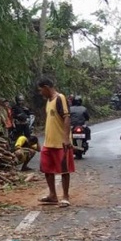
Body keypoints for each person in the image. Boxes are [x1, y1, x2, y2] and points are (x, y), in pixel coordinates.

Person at [37, 78, 74, 207]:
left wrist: (66, 138)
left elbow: (67, 117)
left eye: (41, 90)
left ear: (47, 87)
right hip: (48, 142)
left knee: (64, 169)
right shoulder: (48, 101)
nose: (41, 93)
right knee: (46, 168)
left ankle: (65, 196)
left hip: (60, 142)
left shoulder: (60, 98)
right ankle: (52, 195)